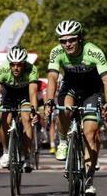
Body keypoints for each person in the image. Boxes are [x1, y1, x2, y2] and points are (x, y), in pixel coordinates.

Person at [44, 20, 107, 195]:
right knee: (65, 109)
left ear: (79, 38)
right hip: (70, 88)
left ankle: (88, 179)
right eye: (63, 41)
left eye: (71, 40)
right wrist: (49, 100)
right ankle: (63, 140)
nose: (67, 44)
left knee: (91, 133)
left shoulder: (94, 51)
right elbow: (52, 78)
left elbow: (105, 80)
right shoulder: (57, 52)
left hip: (91, 92)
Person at [0, 45, 38, 173]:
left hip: (24, 95)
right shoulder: (2, 70)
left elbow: (33, 93)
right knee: (4, 118)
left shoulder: (32, 69)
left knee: (26, 118)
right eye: (13, 64)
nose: (16, 68)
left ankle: (27, 156)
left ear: (24, 63)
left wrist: (34, 111)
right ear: (9, 63)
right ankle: (6, 151)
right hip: (8, 95)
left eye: (19, 65)